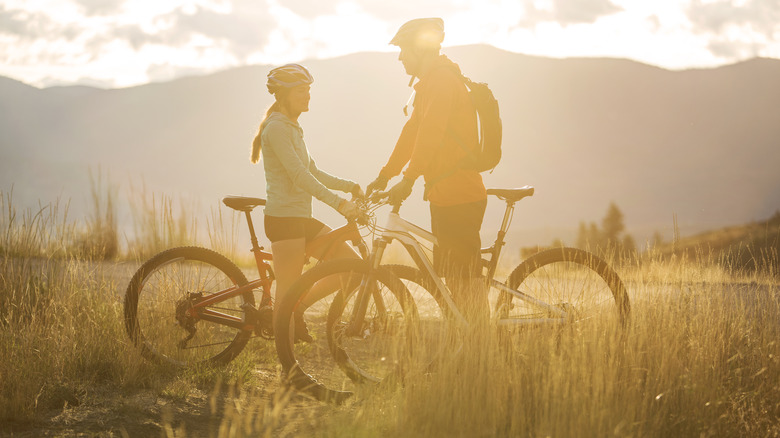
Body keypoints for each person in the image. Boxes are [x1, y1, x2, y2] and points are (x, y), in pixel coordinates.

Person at [366, 18, 489, 323]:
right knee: (454, 276)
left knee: (465, 277)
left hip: (459, 192)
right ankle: (469, 342)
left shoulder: (442, 82)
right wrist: (385, 175)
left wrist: (407, 180)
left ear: (421, 51)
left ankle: (483, 344)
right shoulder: (429, 84)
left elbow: (430, 136)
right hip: (445, 193)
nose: (399, 57)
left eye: (404, 50)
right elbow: (412, 134)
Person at [251, 63, 363, 341]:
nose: (308, 96)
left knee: (352, 265)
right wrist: (339, 204)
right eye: (302, 91)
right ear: (283, 95)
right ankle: (287, 369)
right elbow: (299, 176)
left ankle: (297, 309)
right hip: (284, 221)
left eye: (309, 90)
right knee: (285, 295)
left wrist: (351, 187)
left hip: (300, 218)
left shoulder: (291, 126)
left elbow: (313, 171)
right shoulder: (276, 129)